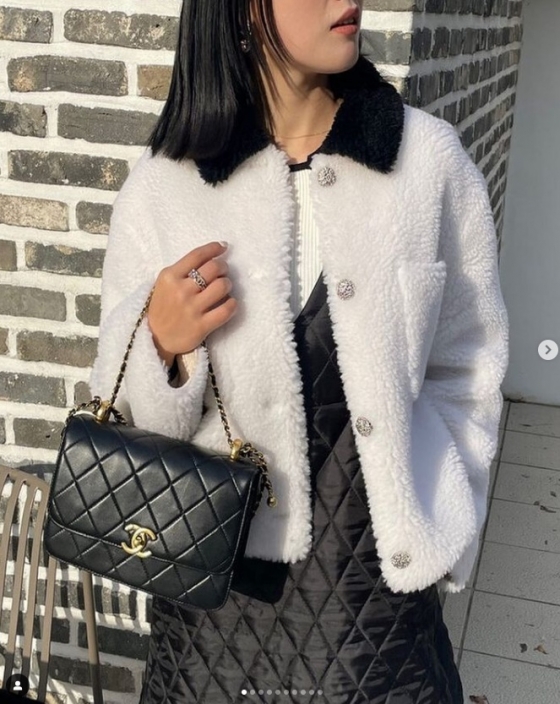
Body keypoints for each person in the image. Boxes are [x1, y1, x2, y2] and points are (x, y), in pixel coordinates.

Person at [89, 0, 510, 702]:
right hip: (211, 603)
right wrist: (161, 346)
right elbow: (129, 427)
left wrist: (448, 506)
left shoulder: (428, 163)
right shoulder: (165, 186)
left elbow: (468, 363)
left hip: (377, 604)